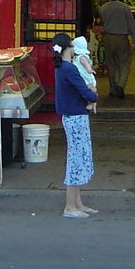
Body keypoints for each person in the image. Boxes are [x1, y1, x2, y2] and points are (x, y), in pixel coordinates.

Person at [52, 32, 99, 218]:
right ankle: (70, 206)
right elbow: (84, 91)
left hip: (70, 116)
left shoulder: (61, 68)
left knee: (76, 157)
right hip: (76, 116)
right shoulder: (69, 69)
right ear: (68, 49)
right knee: (76, 160)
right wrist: (93, 95)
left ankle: (77, 203)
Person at [98, 0, 135, 98]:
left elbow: (101, 23)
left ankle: (112, 88)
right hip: (121, 38)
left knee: (111, 64)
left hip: (108, 37)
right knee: (124, 63)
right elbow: (131, 24)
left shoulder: (103, 8)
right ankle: (121, 85)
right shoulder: (124, 7)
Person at [71, 35, 97, 112]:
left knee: (88, 89)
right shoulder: (77, 58)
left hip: (84, 76)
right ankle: (91, 102)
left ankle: (91, 103)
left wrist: (89, 70)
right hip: (81, 76)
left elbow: (86, 64)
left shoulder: (81, 57)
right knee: (86, 90)